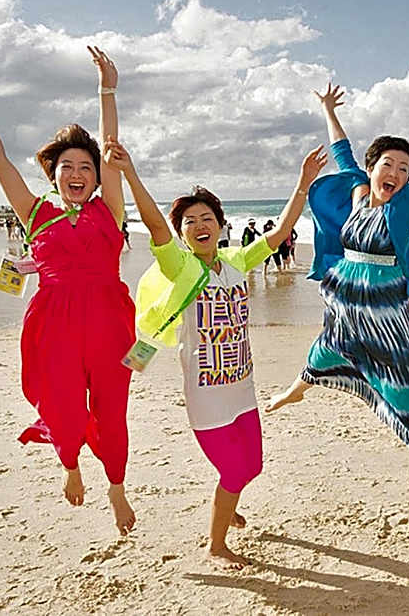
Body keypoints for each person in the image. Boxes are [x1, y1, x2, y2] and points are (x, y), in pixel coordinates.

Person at [265, 81, 409, 522]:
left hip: (386, 308)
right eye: (389, 164)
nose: (398, 173)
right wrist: (329, 108)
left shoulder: (404, 205)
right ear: (373, 169)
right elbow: (342, 150)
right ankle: (297, 389)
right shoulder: (356, 191)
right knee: (325, 349)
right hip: (346, 298)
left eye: (404, 169)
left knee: (405, 391)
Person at [103, 136, 325, 568]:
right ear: (183, 233)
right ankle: (216, 544)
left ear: (221, 225)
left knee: (252, 466)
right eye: (189, 221)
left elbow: (279, 234)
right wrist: (130, 173)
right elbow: (154, 226)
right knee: (236, 471)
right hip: (205, 394)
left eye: (207, 217)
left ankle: (228, 502)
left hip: (243, 387)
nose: (199, 224)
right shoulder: (181, 266)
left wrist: (303, 182)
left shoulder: (237, 262)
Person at [0, 48, 137, 534]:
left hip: (110, 322)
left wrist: (106, 90)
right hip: (55, 325)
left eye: (85, 168)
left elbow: (111, 145)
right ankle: (69, 461)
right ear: (54, 174)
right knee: (64, 410)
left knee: (111, 414)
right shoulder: (35, 212)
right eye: (67, 166)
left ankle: (116, 485)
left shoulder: (109, 209)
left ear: (95, 176)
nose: (77, 174)